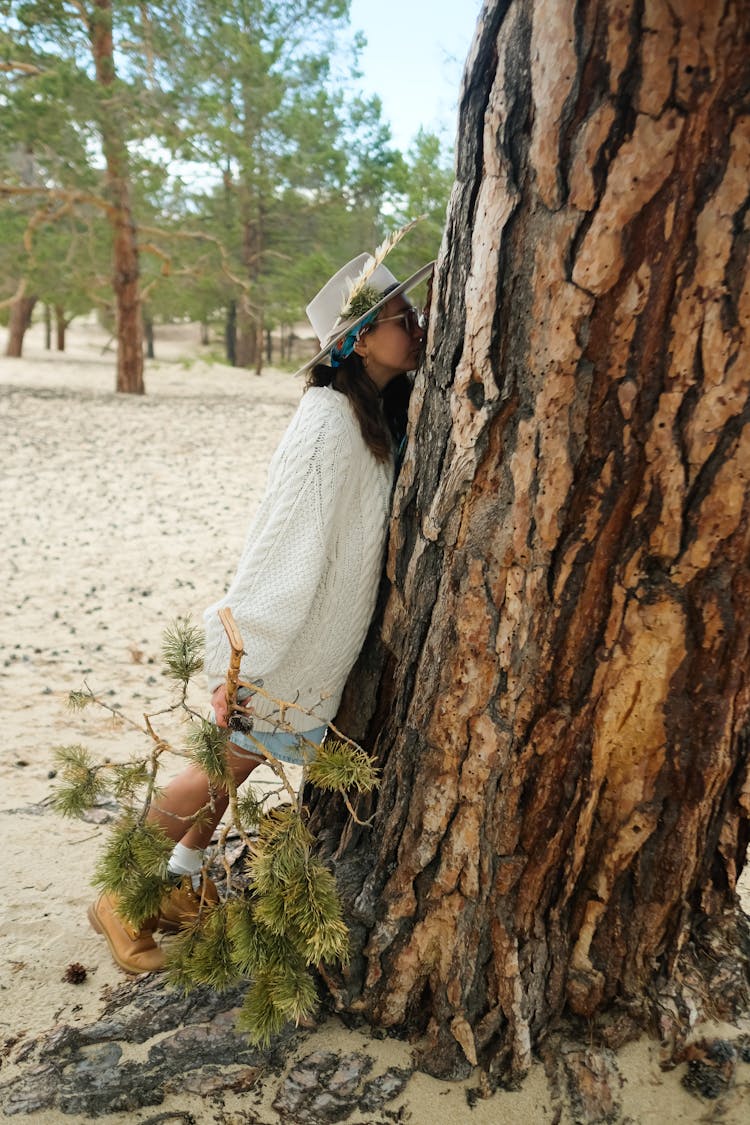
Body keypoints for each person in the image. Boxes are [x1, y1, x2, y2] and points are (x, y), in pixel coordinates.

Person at [89, 244, 434, 973]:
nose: (419, 325)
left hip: (316, 646)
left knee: (237, 767)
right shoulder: (326, 421)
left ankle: (176, 887)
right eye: (402, 318)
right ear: (359, 338)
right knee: (220, 765)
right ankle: (122, 895)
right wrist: (239, 657)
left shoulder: (371, 411)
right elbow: (281, 545)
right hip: (282, 642)